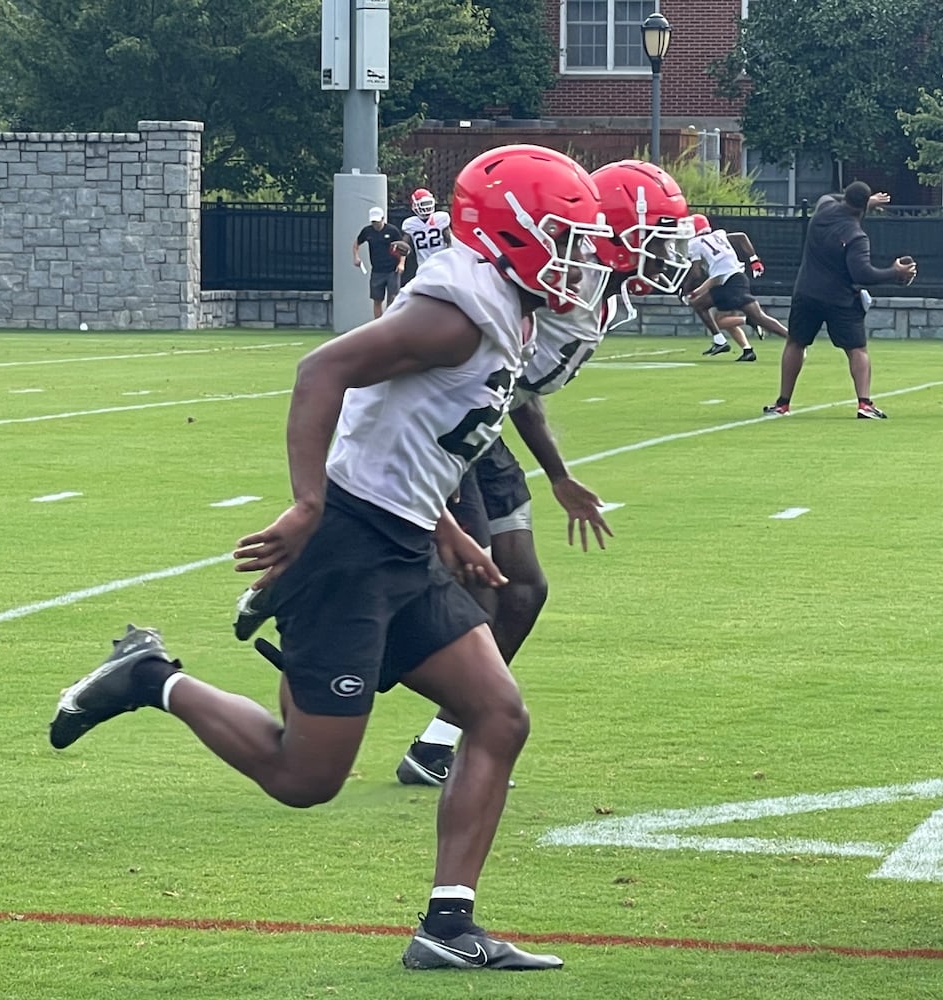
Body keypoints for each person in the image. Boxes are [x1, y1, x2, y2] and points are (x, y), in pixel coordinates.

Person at [49, 144, 617, 973]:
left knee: (498, 715)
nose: (575, 260)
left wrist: (445, 529)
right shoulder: (456, 312)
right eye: (561, 237)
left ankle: (447, 927)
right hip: (350, 545)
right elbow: (324, 370)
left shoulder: (503, 305)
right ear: (511, 232)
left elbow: (417, 432)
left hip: (403, 539)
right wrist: (311, 505)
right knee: (303, 776)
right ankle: (149, 677)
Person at [394, 159, 693, 784]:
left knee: (524, 590)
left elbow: (520, 393)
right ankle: (347, 643)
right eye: (658, 233)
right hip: (445, 430)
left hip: (490, 431)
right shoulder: (541, 290)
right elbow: (487, 373)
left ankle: (438, 741)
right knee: (475, 591)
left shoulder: (601, 299)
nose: (668, 251)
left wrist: (558, 475)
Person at [764, 181, 916, 419]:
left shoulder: (823, 209)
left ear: (845, 198)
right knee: (857, 350)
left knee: (795, 343)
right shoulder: (856, 236)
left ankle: (783, 404)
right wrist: (895, 272)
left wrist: (865, 201)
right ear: (864, 206)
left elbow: (828, 196)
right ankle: (864, 404)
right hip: (840, 299)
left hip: (807, 292)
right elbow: (862, 274)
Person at [687, 215, 788, 362]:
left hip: (731, 284)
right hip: (736, 279)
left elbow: (696, 274)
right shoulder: (719, 235)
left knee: (702, 307)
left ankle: (721, 340)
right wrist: (754, 260)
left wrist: (686, 287)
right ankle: (747, 348)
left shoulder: (695, 243)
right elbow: (741, 237)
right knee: (728, 318)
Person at [353, 206, 407, 318]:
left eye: (377, 221)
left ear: (383, 219)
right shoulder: (367, 231)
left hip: (392, 270)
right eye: (373, 222)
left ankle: (390, 322)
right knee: (377, 299)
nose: (375, 224)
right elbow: (356, 244)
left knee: (392, 298)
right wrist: (356, 257)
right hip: (377, 270)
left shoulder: (392, 231)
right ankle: (378, 324)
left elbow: (403, 249)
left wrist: (401, 263)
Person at [402, 187, 453, 278]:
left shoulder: (440, 218)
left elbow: (449, 240)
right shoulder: (410, 224)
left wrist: (449, 258)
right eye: (423, 204)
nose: (426, 207)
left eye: (428, 203)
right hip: (423, 265)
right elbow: (404, 246)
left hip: (441, 263)